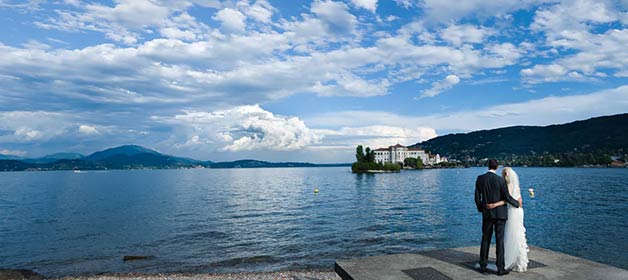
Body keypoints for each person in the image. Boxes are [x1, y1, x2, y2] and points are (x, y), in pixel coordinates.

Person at [474, 159, 521, 276]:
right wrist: (517, 204)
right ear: (497, 167)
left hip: (487, 214)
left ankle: (483, 266)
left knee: (485, 239)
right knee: (500, 241)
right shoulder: (501, 180)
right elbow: (507, 197)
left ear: (488, 166)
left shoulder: (480, 179)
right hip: (500, 215)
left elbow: (476, 197)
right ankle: (500, 268)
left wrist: (482, 208)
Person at [485, 167, 529, 272]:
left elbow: (506, 200)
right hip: (519, 211)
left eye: (503, 174)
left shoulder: (508, 185)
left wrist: (494, 205)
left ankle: (511, 260)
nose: (502, 176)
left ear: (506, 175)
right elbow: (520, 201)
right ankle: (520, 262)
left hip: (512, 212)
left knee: (511, 235)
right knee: (518, 235)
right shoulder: (517, 186)